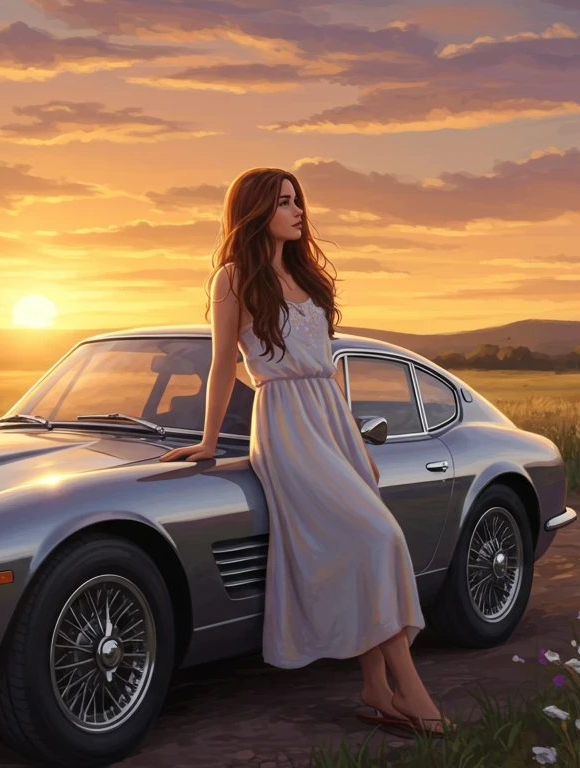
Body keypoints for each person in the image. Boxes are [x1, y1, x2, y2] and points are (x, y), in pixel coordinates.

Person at [157, 167, 452, 737]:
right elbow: (223, 365)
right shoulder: (233, 278)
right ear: (255, 211)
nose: (298, 212)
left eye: (298, 201)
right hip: (287, 427)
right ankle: (410, 689)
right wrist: (210, 442)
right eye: (284, 202)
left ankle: (374, 690)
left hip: (332, 424)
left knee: (367, 548)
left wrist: (355, 442)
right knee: (378, 538)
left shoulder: (308, 276)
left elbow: (331, 372)